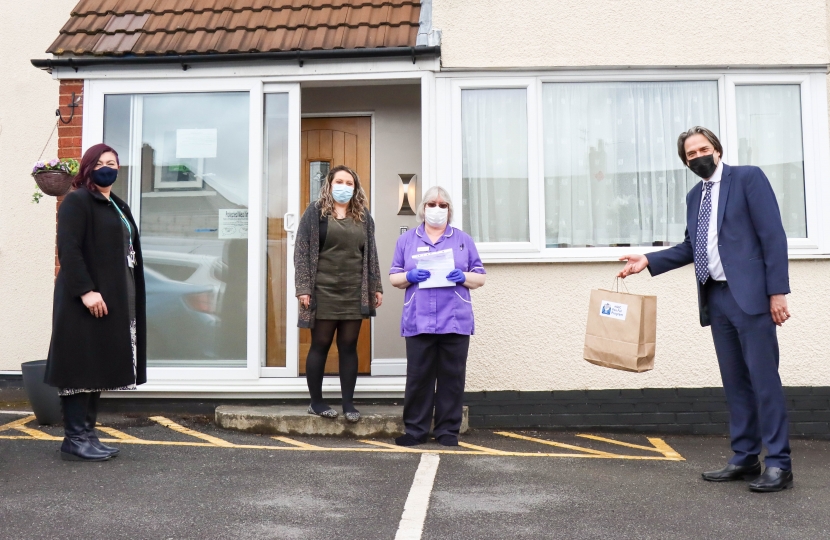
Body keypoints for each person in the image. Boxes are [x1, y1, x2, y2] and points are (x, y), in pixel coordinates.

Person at [618, 126, 793, 492]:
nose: (697, 157)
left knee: (763, 381)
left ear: (717, 149)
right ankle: (745, 457)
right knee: (735, 383)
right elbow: (690, 246)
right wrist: (647, 260)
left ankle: (779, 464)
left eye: (703, 149)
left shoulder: (747, 178)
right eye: (690, 154)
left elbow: (773, 236)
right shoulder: (694, 195)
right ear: (685, 161)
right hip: (717, 298)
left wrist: (777, 292)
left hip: (752, 297)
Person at [45, 143, 146, 462]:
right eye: (101, 162)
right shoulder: (78, 201)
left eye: (113, 163)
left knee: (96, 366)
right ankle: (74, 438)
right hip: (82, 302)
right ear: (88, 168)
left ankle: (87, 434)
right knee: (79, 365)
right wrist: (86, 291)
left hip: (111, 301)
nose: (108, 167)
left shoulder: (117, 205)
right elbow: (69, 249)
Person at [389, 186, 486, 447]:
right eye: (432, 203)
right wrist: (409, 277)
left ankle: (447, 431)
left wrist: (463, 277)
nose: (437, 208)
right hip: (418, 319)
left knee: (451, 378)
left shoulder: (462, 240)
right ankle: (416, 431)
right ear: (423, 208)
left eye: (443, 205)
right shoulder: (407, 240)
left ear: (450, 210)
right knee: (419, 377)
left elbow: (481, 276)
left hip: (454, 320)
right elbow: (393, 277)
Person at [294, 165, 383, 422]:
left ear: (355, 188)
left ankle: (348, 404)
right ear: (329, 184)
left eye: (349, 183)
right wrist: (303, 288)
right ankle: (316, 402)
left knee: (348, 347)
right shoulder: (315, 212)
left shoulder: (363, 216)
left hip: (354, 291)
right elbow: (301, 252)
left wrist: (375, 286)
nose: (344, 187)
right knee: (320, 345)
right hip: (322, 290)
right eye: (339, 181)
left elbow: (371, 254)